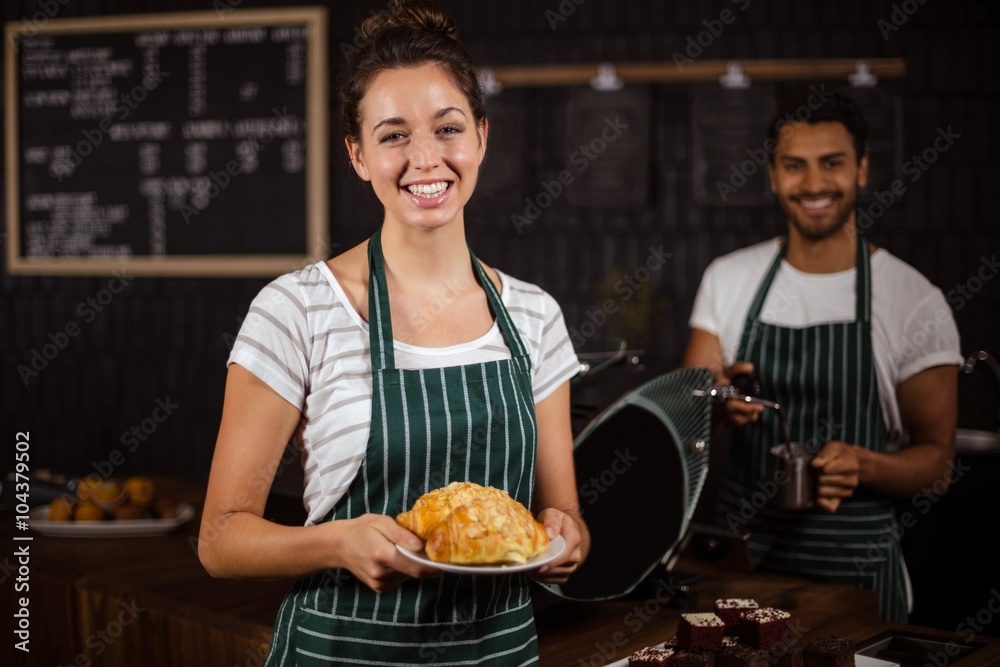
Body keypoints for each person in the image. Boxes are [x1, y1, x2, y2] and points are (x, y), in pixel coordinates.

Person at [197, 2, 589, 664]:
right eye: (393, 135)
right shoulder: (296, 310)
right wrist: (335, 542)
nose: (426, 158)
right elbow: (219, 539)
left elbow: (564, 520)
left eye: (448, 128)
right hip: (341, 648)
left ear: (482, 137)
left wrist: (568, 537)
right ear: (357, 154)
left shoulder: (535, 316)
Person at [682, 89, 961, 623]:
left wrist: (865, 464)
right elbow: (684, 422)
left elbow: (938, 463)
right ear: (772, 175)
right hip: (742, 568)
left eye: (831, 164)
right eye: (794, 166)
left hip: (857, 573)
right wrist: (714, 410)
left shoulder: (913, 299)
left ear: (861, 170)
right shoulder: (729, 279)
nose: (812, 184)